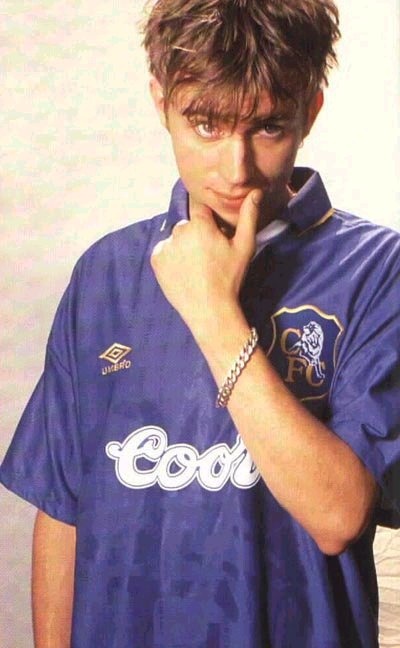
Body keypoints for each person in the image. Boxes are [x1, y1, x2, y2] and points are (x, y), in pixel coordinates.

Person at [1, 0, 399, 646]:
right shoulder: (103, 274)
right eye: (206, 125)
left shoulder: (379, 270)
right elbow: (63, 512)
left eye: (268, 128)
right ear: (162, 103)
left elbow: (339, 514)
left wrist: (215, 313)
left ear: (312, 109)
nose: (236, 169)